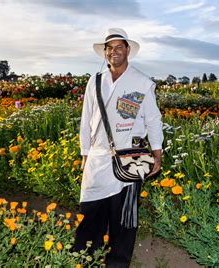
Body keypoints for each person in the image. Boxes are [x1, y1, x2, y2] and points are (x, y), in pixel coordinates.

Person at [74, 28, 163, 267]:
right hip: (97, 157)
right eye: (109, 48)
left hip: (129, 161)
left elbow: (153, 119)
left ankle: (117, 263)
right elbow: (86, 117)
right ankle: (85, 259)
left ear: (128, 51)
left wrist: (157, 151)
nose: (114, 52)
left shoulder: (142, 83)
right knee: (90, 212)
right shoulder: (95, 81)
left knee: (123, 220)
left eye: (119, 47)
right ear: (104, 53)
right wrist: (84, 152)